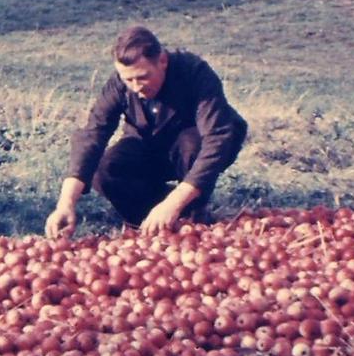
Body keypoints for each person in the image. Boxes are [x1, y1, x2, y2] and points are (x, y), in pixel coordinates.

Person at [45, 26, 247, 237]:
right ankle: (151, 222)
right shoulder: (120, 83)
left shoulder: (194, 72)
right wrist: (65, 204)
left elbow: (217, 138)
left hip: (191, 146)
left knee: (191, 146)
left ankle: (193, 217)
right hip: (149, 145)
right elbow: (93, 134)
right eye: (128, 80)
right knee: (105, 170)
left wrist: (174, 202)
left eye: (142, 77)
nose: (135, 87)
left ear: (162, 61)